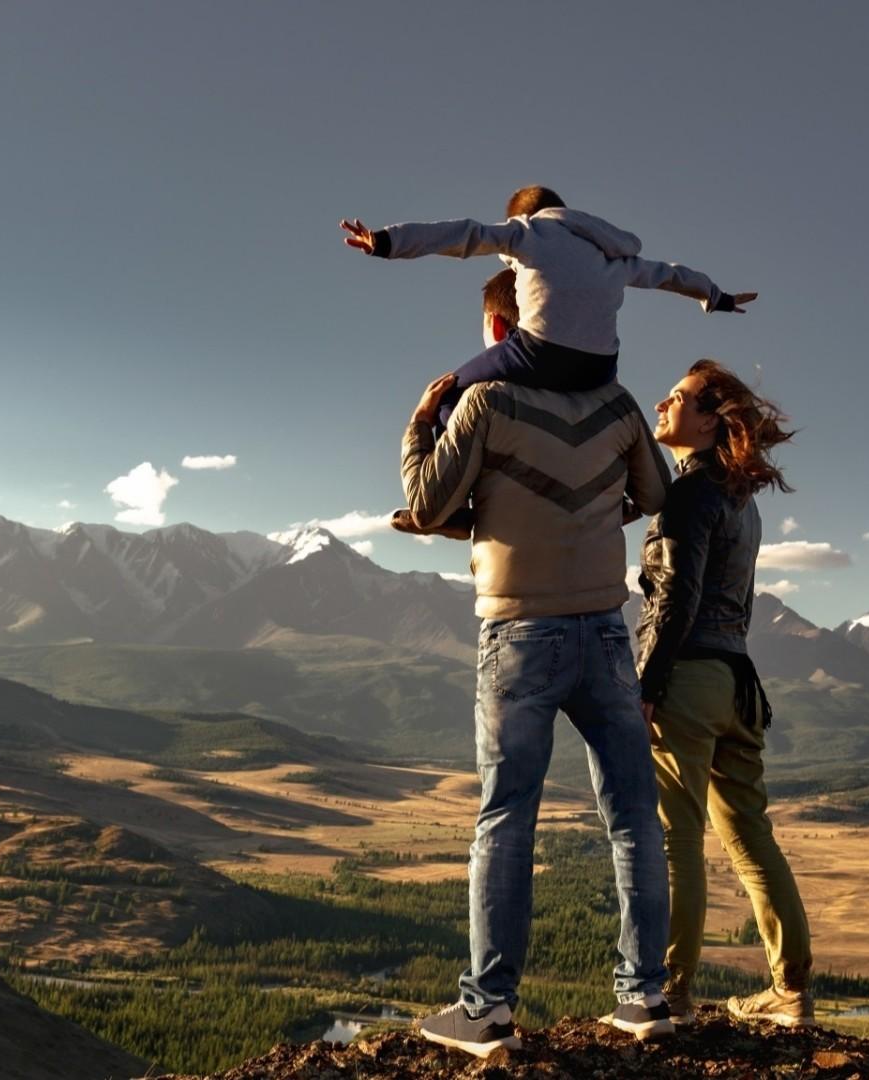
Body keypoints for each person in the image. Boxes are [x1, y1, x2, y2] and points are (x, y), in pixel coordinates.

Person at [398, 286, 675, 1057]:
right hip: (605, 633)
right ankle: (644, 995)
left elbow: (425, 504)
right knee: (631, 815)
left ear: (499, 323)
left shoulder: (485, 400)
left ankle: (487, 1009)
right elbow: (657, 493)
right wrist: (588, 506)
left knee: (506, 815)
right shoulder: (616, 403)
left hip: (519, 631)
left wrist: (420, 424)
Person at [344, 184, 757, 539]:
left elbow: (462, 236)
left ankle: (454, 509)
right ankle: (623, 503)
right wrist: (714, 296)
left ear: (524, 215)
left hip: (540, 351)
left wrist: (385, 242)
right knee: (610, 417)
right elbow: (668, 274)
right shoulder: (608, 252)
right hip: (600, 368)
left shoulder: (527, 232)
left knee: (449, 393)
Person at [635, 359, 814, 1028]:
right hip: (739, 683)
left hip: (688, 678)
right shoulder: (743, 499)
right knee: (749, 836)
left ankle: (669, 994)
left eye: (676, 398)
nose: (661, 402)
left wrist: (647, 685)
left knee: (673, 836)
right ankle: (790, 990)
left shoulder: (688, 495)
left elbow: (676, 597)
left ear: (709, 422)